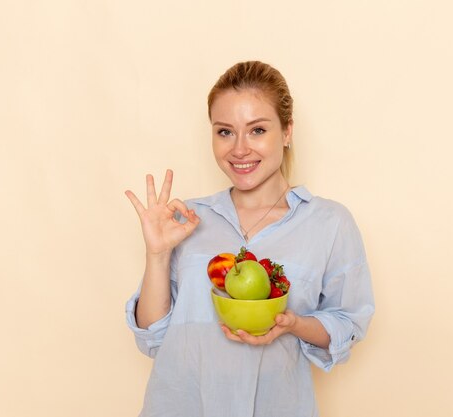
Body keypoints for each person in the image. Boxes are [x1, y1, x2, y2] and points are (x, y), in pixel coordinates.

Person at [125, 61, 375, 417]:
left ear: (287, 131)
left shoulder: (329, 223)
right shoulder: (184, 220)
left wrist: (293, 324)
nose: (239, 149)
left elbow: (348, 321)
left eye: (257, 130)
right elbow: (152, 336)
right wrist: (157, 254)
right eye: (225, 132)